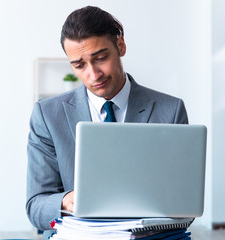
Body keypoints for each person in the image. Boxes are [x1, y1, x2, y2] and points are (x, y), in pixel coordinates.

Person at [26, 6, 188, 239]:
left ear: (120, 45)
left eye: (101, 58)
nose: (93, 74)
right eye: (79, 65)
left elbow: (183, 199)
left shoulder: (170, 111)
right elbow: (35, 206)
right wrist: (67, 200)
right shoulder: (47, 115)